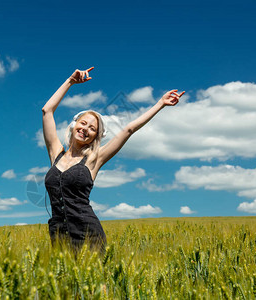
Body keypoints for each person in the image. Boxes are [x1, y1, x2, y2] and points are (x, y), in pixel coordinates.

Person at [42, 67, 184, 253]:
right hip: (59, 236)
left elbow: (128, 130)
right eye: (83, 123)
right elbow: (47, 111)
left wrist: (160, 104)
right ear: (74, 125)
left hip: (88, 235)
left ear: (95, 136)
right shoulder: (56, 153)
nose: (85, 129)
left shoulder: (95, 158)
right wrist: (70, 81)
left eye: (92, 128)